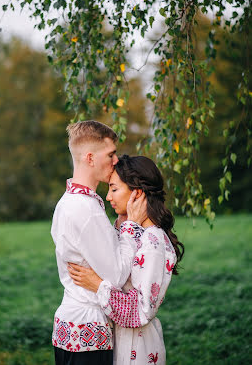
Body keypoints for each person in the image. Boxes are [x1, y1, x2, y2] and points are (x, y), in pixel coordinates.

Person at [68, 155, 184, 365]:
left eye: (114, 189)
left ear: (136, 194)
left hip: (137, 351)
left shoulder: (153, 240)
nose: (109, 197)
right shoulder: (128, 230)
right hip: (117, 342)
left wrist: (97, 285)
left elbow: (142, 309)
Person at [51, 122, 147, 365]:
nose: (116, 161)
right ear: (90, 158)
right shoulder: (86, 209)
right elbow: (115, 276)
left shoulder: (69, 201)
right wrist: (131, 225)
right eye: (111, 154)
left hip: (71, 325)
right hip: (88, 332)